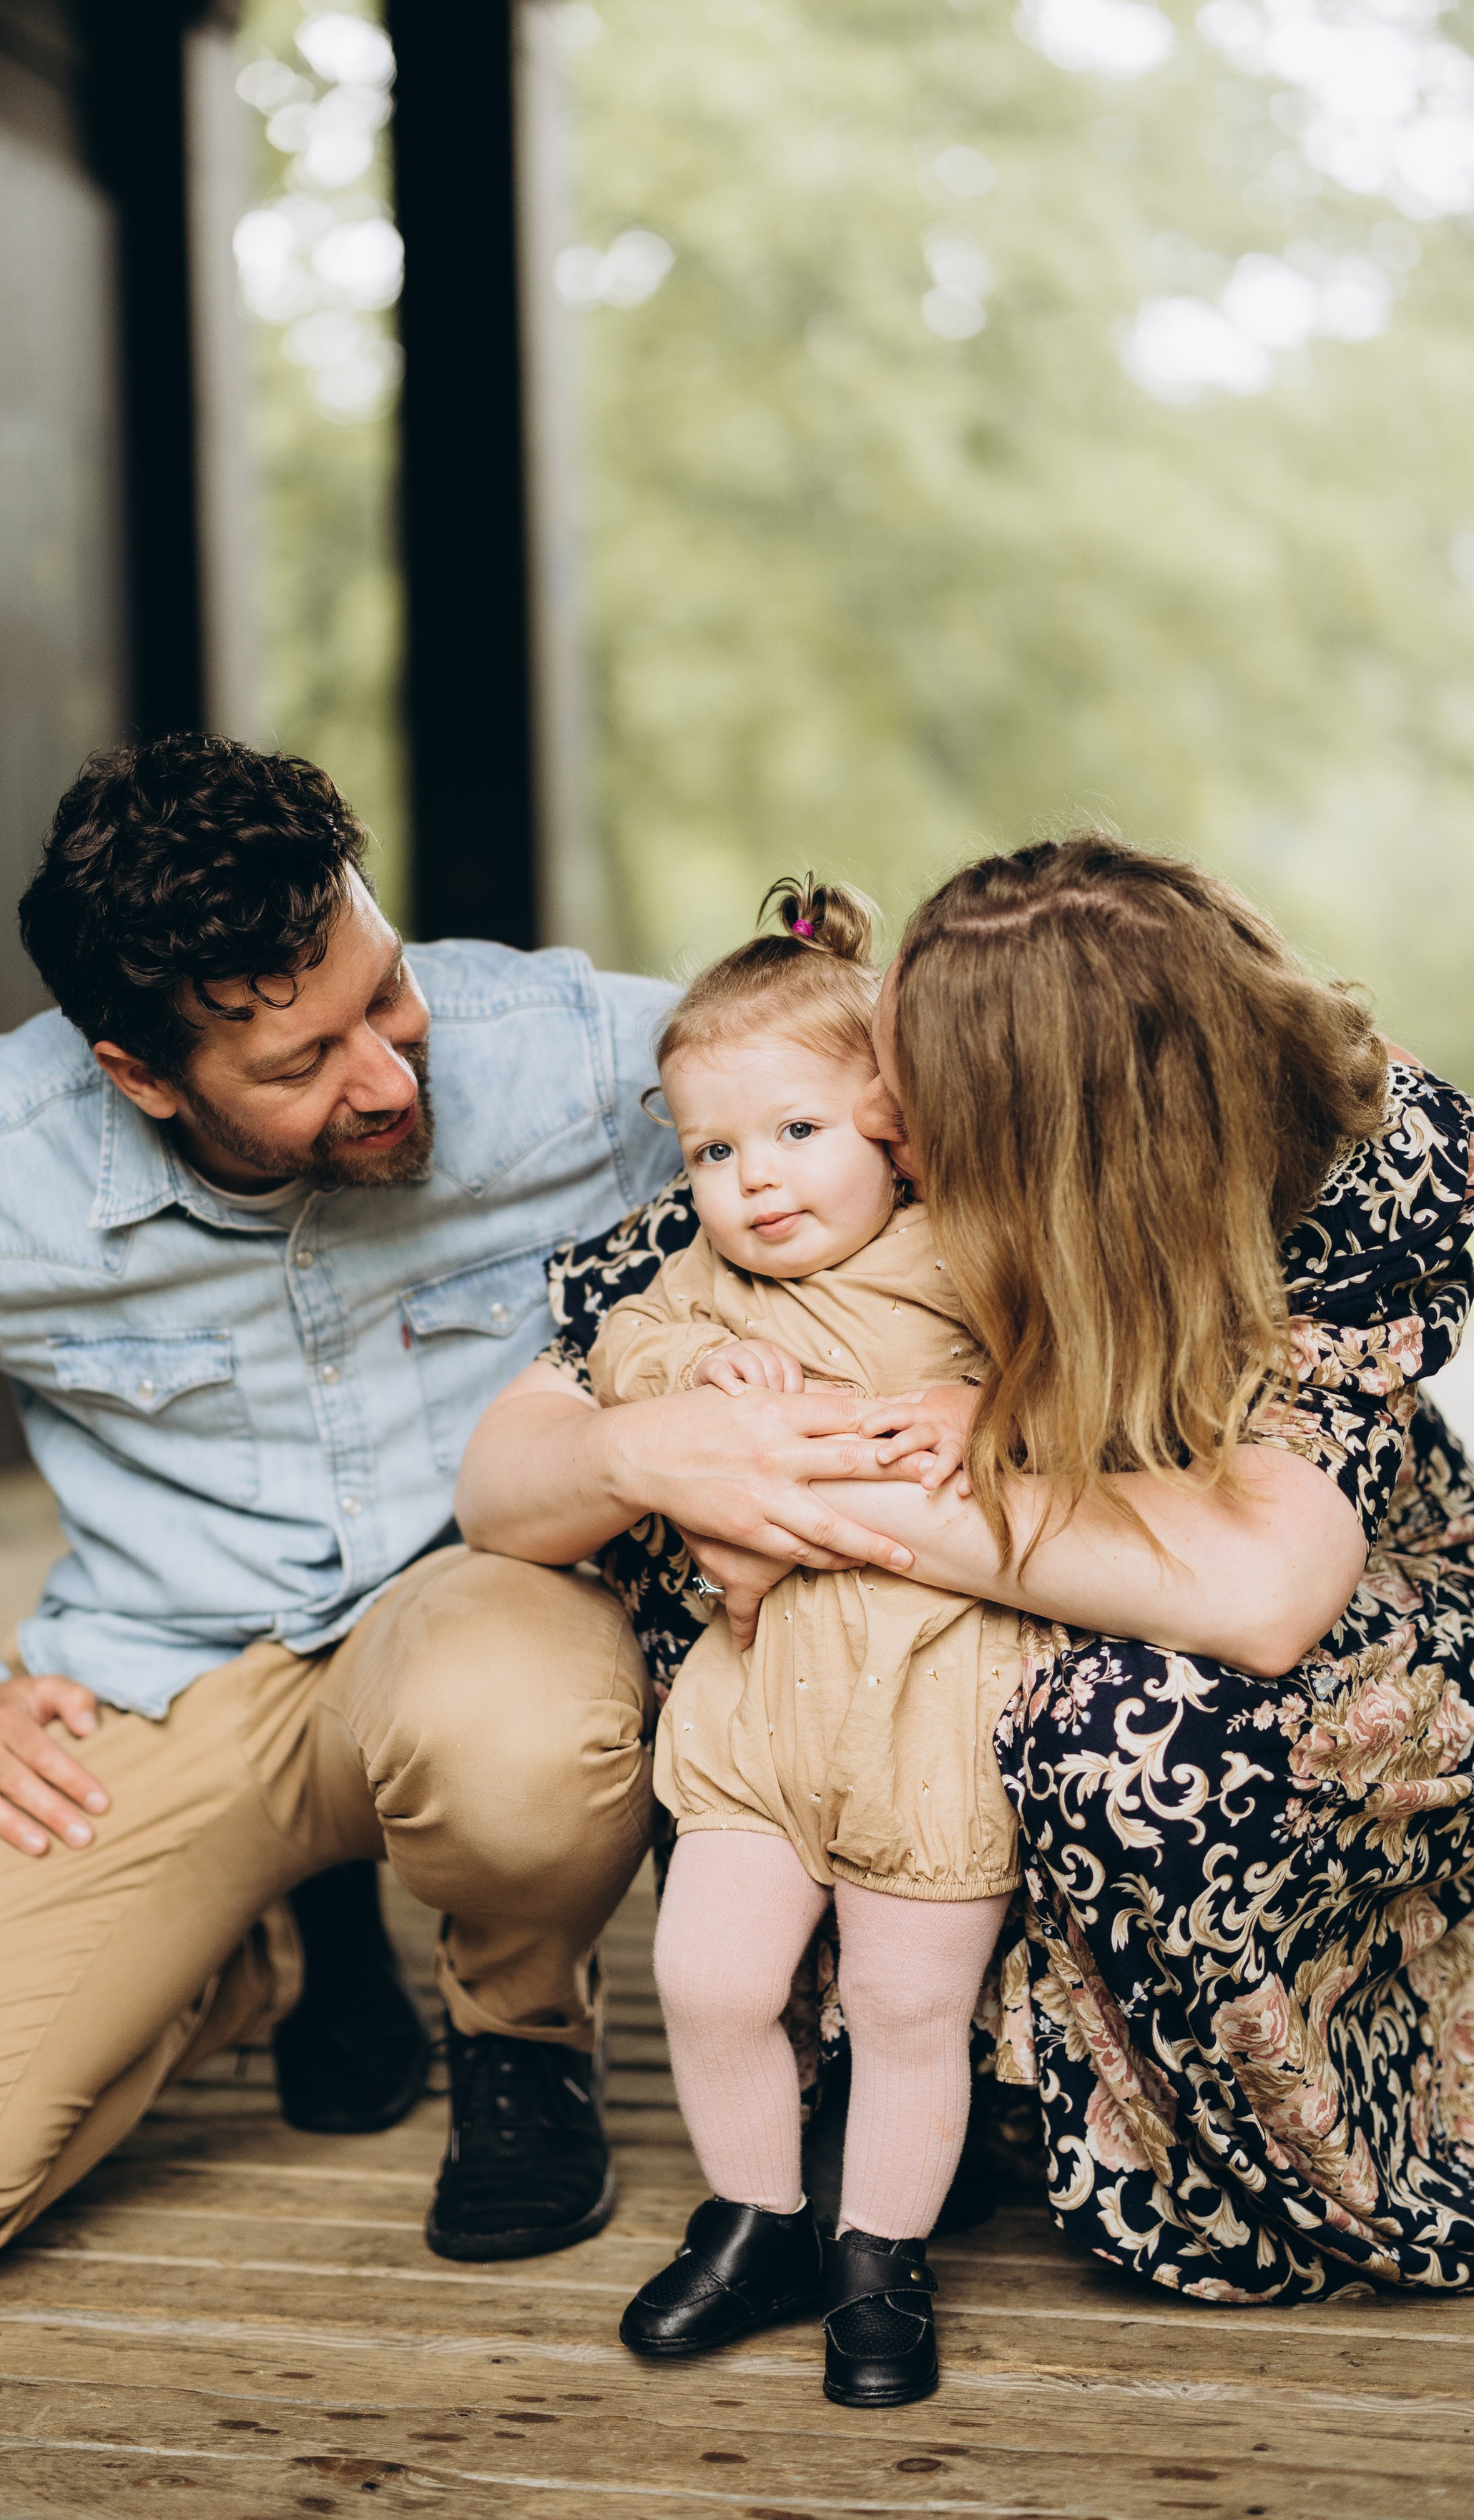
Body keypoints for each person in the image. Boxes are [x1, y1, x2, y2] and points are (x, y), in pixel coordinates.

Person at [0, 733, 685, 2290]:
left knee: (518, 1734)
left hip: (477, 1620)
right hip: (171, 1671)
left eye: (386, 994)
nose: (388, 1074)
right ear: (137, 1075)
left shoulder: (582, 1056)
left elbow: (875, 1094)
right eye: (301, 1064)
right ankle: (256, 1956)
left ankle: (520, 2033)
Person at [459, 833, 1474, 2305]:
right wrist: (650, 1454)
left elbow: (1261, 1590)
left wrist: (799, 1481)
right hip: (882, 1669)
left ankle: (1177, 2129)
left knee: (1128, 1721)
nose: (874, 1124)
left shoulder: (1352, 1154)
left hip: (1350, 1625)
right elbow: (509, 1474)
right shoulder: (810, 1164)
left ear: (1058, 1133)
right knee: (726, 1580)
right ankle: (853, 2072)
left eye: (909, 1100)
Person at [589, 881, 1016, 2408]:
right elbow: (620, 1348)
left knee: (907, 2008)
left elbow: (1078, 1374)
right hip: (755, 1705)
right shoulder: (706, 1285)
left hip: (923, 1704)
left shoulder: (963, 1255)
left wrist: (981, 1404)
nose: (752, 1179)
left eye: (794, 1131)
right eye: (711, 1152)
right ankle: (756, 2217)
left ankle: (876, 2258)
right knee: (708, 1979)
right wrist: (698, 1370)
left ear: (895, 1130)